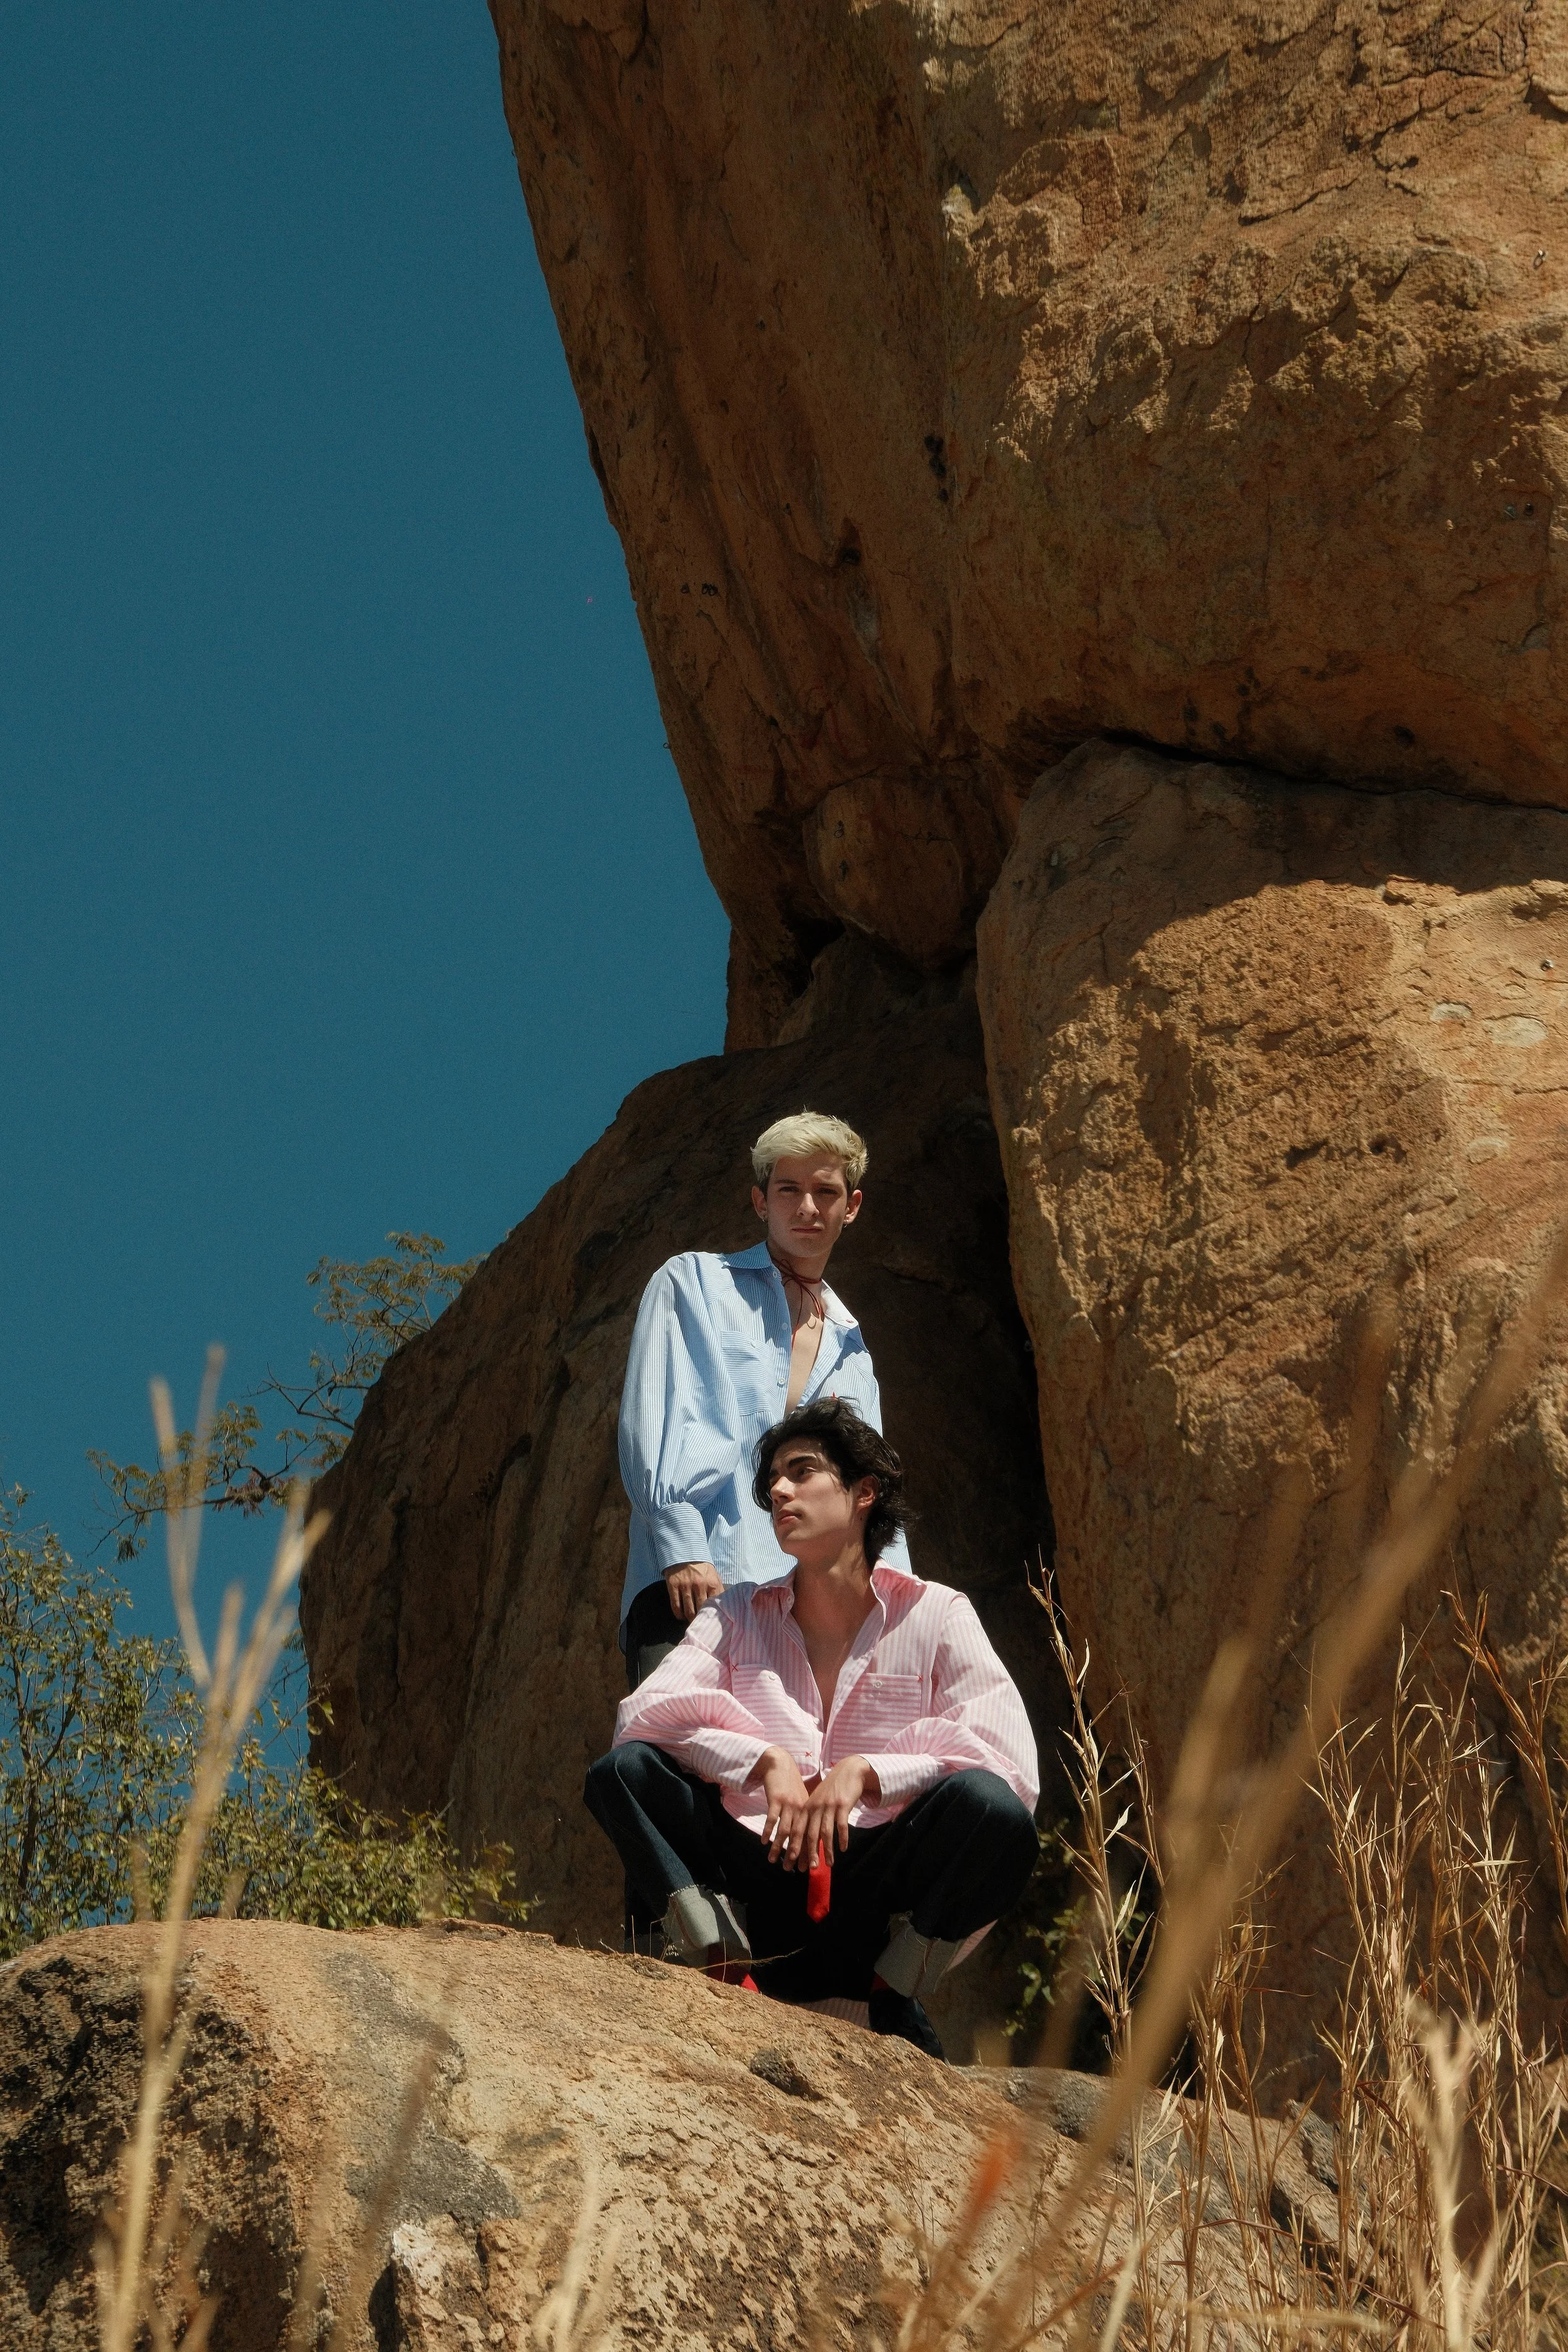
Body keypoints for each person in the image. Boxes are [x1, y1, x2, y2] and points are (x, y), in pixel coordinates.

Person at [586, 1399, 1039, 2058]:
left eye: (801, 1472)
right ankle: (720, 1964)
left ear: (863, 1493)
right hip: (754, 1875)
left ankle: (894, 1990)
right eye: (772, 1480)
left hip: (869, 1893)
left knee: (994, 1809)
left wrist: (870, 1773)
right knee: (623, 1772)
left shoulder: (937, 1613)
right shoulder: (737, 1612)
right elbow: (644, 1713)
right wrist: (762, 1761)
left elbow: (1008, 1757)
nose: (778, 1491)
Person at [616, 1111, 910, 1693]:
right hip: (694, 1583)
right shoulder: (693, 1284)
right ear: (761, 1201)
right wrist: (682, 1546)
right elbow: (653, 1423)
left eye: (826, 1191)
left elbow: (868, 1492)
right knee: (678, 1750)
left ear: (852, 1206)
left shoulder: (852, 1348)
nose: (807, 1207)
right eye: (789, 1190)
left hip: (800, 1619)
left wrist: (894, 1611)